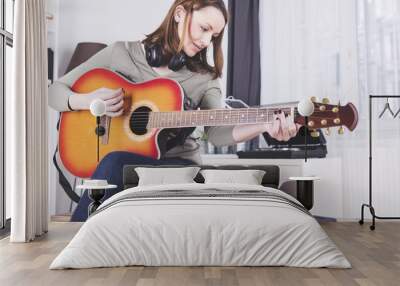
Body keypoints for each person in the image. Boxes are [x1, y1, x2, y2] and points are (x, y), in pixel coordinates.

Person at [48, 0, 299, 221]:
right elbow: (54, 91)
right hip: (124, 157)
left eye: (215, 35)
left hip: (178, 164)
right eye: (204, 28)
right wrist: (88, 101)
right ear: (180, 13)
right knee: (115, 161)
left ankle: (76, 235)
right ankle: (79, 243)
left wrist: (264, 125)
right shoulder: (120, 53)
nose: (206, 41)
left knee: (115, 162)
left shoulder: (206, 78)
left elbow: (217, 134)